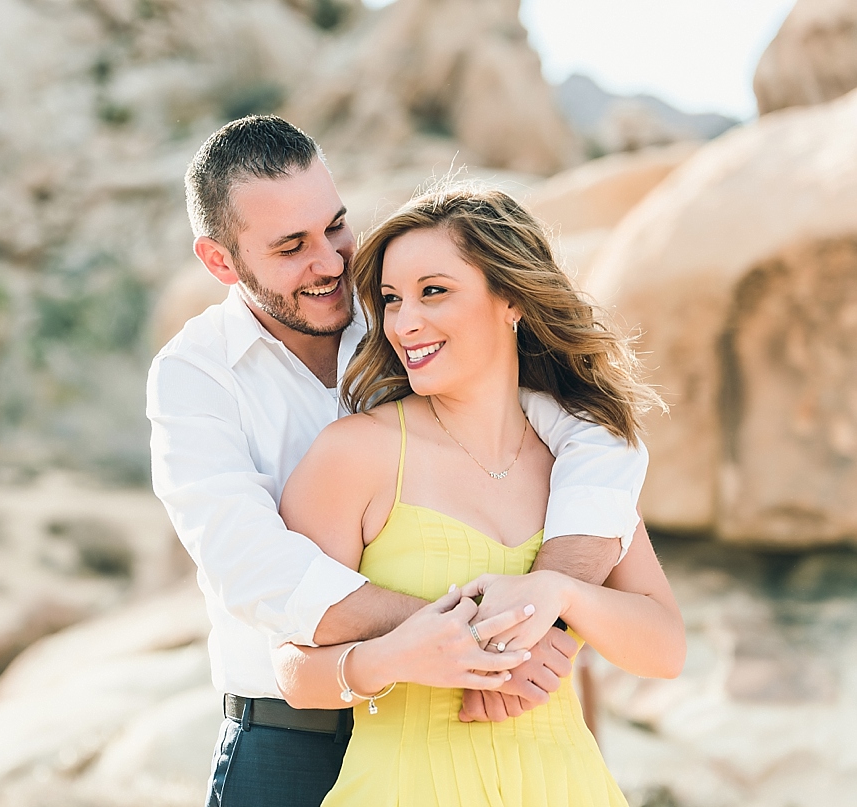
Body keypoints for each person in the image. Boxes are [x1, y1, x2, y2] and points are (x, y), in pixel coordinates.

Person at [146, 115, 649, 807]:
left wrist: (547, 610)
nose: (329, 262)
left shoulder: (403, 311)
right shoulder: (194, 375)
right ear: (220, 261)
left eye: (335, 227)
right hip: (290, 739)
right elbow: (252, 566)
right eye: (292, 246)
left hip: (459, 735)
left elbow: (594, 434)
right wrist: (471, 635)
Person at [271, 186, 686, 806]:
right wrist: (394, 658)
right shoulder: (353, 454)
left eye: (433, 291)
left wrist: (562, 593)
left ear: (511, 299)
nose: (404, 322)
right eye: (390, 300)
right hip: (406, 788)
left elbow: (665, 648)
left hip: (567, 787)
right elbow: (291, 668)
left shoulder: (582, 468)